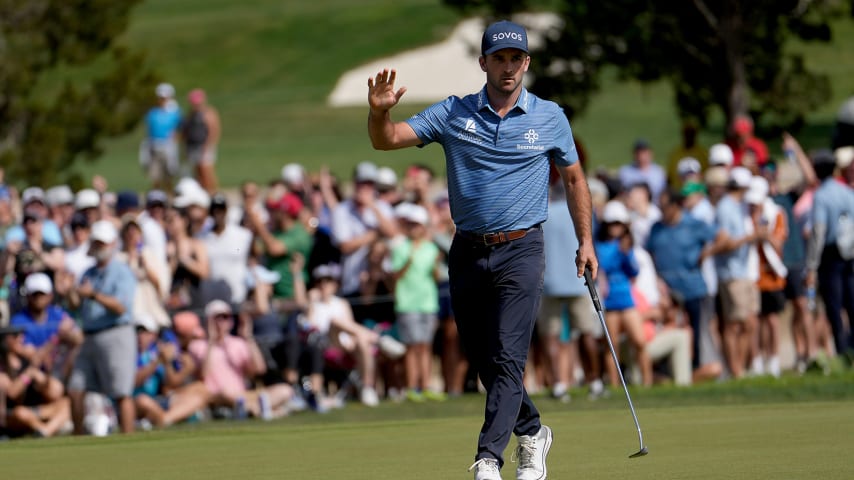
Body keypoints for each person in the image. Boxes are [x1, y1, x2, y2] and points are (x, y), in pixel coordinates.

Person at [367, 20, 597, 480]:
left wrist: (585, 240)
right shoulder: (454, 113)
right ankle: (532, 431)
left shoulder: (550, 116)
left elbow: (574, 179)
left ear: (526, 63)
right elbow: (387, 140)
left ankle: (488, 458)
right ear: (483, 63)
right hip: (467, 250)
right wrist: (378, 113)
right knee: (485, 360)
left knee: (510, 356)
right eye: (499, 58)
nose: (508, 67)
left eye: (516, 59)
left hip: (522, 249)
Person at [66, 220, 138, 434]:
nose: (99, 248)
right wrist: (70, 291)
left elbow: (120, 307)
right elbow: (76, 305)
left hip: (116, 334)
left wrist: (94, 295)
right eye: (96, 243)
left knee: (121, 393)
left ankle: (129, 440)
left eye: (103, 243)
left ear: (113, 244)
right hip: (89, 336)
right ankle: (76, 441)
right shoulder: (88, 273)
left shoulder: (121, 271)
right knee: (75, 389)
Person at [540, 178, 603, 401]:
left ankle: (558, 385)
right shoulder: (579, 215)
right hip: (578, 280)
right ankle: (594, 381)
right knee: (586, 333)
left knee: (551, 335)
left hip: (548, 282)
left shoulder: (542, 214)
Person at [390, 204, 443, 402]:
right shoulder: (400, 247)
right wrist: (409, 257)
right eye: (411, 225)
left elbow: (436, 277)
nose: (414, 229)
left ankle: (426, 385)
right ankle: (412, 387)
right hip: (407, 303)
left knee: (425, 346)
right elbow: (396, 275)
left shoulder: (431, 249)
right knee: (412, 346)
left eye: (417, 225)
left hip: (428, 303)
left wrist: (436, 264)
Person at [806, 149, 854, 361]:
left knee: (834, 306)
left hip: (831, 256)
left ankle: (844, 352)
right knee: (851, 303)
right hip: (850, 252)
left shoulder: (822, 195)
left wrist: (812, 266)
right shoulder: (846, 191)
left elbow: (818, 231)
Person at [141, 83, 182, 190]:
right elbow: (149, 130)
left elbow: (180, 128)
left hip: (168, 146)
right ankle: (156, 196)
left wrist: (175, 139)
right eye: (160, 98)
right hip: (154, 146)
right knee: (155, 176)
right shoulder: (152, 113)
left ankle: (170, 198)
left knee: (170, 175)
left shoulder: (175, 112)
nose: (162, 100)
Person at [182, 89, 221, 193]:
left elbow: (214, 130)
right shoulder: (191, 113)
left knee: (206, 170)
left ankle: (214, 193)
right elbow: (186, 130)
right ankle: (202, 192)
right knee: (197, 171)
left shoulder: (208, 113)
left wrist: (207, 145)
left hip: (204, 146)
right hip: (192, 146)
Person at [618, 139, 667, 205]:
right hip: (632, 207)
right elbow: (622, 193)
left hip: (655, 206)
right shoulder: (625, 171)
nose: (641, 156)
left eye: (644, 152)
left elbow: (663, 192)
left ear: (650, 153)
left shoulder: (658, 171)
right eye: (638, 153)